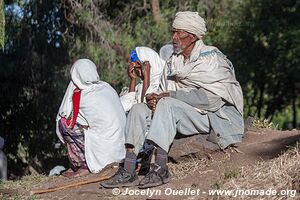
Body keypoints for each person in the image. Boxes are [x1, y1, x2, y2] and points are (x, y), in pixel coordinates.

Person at [101, 11, 244, 188]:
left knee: (167, 104)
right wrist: (154, 100)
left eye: (179, 33)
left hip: (210, 115)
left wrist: (169, 97)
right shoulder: (172, 62)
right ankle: (128, 169)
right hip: (177, 113)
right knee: (138, 109)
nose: (174, 37)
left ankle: (160, 168)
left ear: (192, 37)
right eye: (173, 32)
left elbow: (213, 100)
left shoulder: (211, 59)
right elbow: (164, 91)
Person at [56, 59, 126, 177]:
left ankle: (84, 165)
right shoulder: (106, 86)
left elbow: (66, 116)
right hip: (119, 149)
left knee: (63, 123)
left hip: (103, 151)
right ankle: (82, 162)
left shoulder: (81, 94)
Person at [120, 47, 165, 112]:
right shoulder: (140, 86)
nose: (140, 73)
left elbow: (144, 106)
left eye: (141, 68)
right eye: (136, 69)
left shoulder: (163, 81)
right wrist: (133, 79)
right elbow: (126, 104)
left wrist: (146, 76)